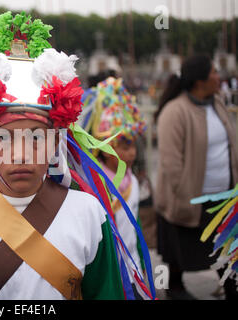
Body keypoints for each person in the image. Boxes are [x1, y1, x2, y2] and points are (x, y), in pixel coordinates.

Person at [0, 11, 155, 300]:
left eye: (36, 138)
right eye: (4, 138)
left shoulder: (89, 214)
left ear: (56, 141)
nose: (21, 154)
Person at [155, 54, 238, 300]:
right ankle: (175, 288)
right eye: (213, 72)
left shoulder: (218, 102)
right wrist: (187, 195)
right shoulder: (175, 111)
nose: (218, 77)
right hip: (191, 201)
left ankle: (232, 289)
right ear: (199, 80)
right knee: (178, 252)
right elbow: (171, 164)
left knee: (228, 250)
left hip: (224, 199)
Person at [78, 77, 148, 295]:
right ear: (105, 146)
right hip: (110, 270)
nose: (132, 153)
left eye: (133, 146)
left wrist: (142, 265)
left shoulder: (133, 180)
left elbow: (135, 227)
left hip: (133, 266)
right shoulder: (93, 183)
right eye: (124, 146)